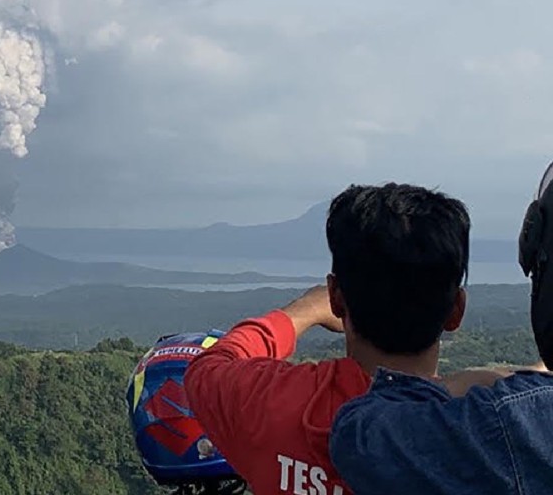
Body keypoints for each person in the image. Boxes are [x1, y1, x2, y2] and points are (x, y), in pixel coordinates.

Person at [184, 183, 470, 495]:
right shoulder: (480, 439)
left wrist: (304, 312)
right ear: (456, 311)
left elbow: (207, 367)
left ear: (336, 297)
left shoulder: (271, 402)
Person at [330, 162, 553, 494]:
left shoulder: (510, 425)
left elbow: (360, 431)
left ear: (336, 298)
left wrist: (463, 382)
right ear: (456, 310)